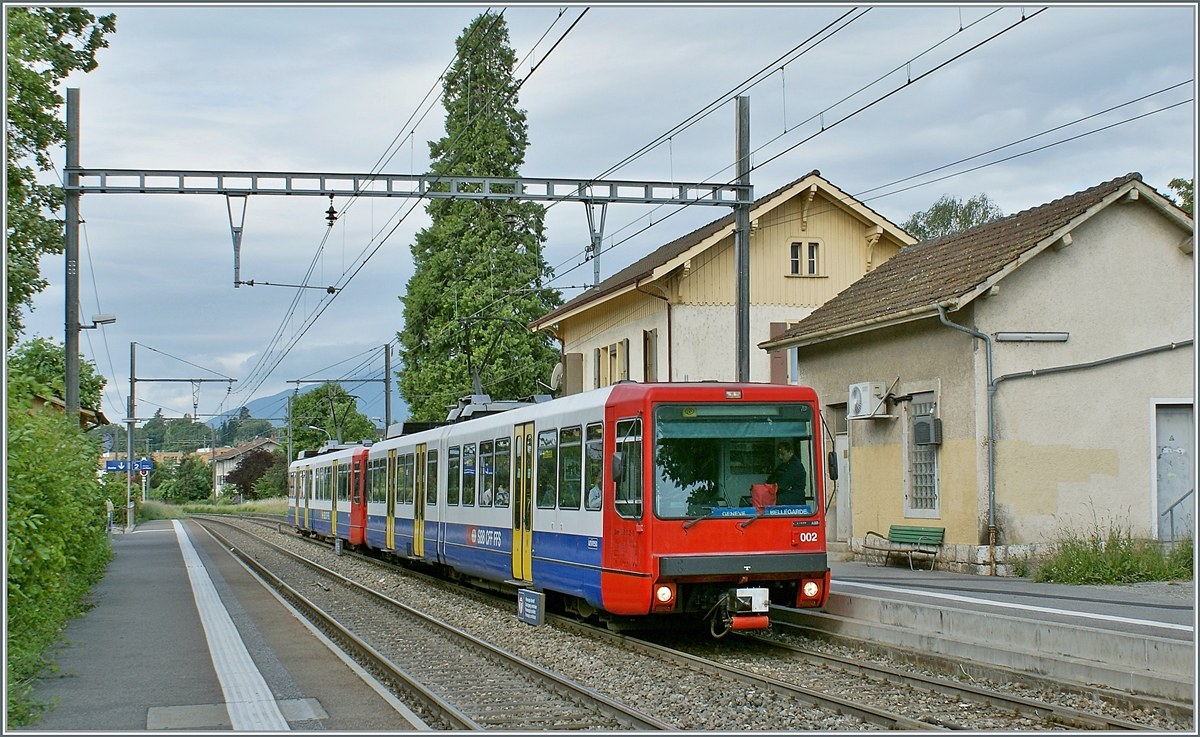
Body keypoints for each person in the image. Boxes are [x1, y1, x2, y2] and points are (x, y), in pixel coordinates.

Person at [766, 441, 807, 505]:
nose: (780, 457)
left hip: (794, 504)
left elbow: (782, 484)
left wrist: (777, 485)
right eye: (778, 454)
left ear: (790, 453)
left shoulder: (795, 466)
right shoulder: (783, 466)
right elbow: (769, 481)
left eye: (782, 454)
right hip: (784, 502)